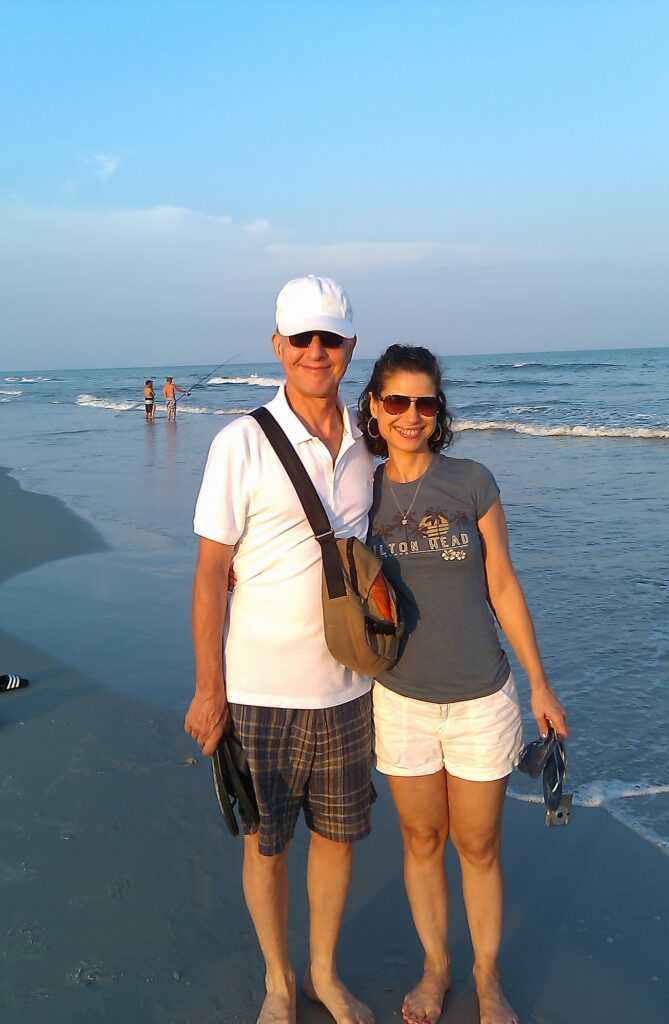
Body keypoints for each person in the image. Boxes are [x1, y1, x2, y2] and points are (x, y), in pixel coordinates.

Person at [358, 345, 568, 1024]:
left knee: (478, 845)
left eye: (425, 402)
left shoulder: (472, 480)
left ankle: (486, 978)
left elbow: (501, 583)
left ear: (438, 410)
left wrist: (540, 683)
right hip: (400, 698)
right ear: (374, 407)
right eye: (397, 401)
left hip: (482, 695)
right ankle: (435, 967)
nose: (411, 415)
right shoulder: (357, 491)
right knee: (421, 840)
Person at [185, 276, 376, 1024]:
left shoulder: (370, 441)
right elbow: (210, 572)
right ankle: (278, 981)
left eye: (329, 337)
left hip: (351, 689)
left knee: (337, 841)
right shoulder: (240, 442)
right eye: (301, 338)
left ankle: (324, 973)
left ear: (351, 346)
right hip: (260, 690)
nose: (315, 351)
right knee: (266, 843)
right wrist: (209, 689)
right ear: (278, 346)